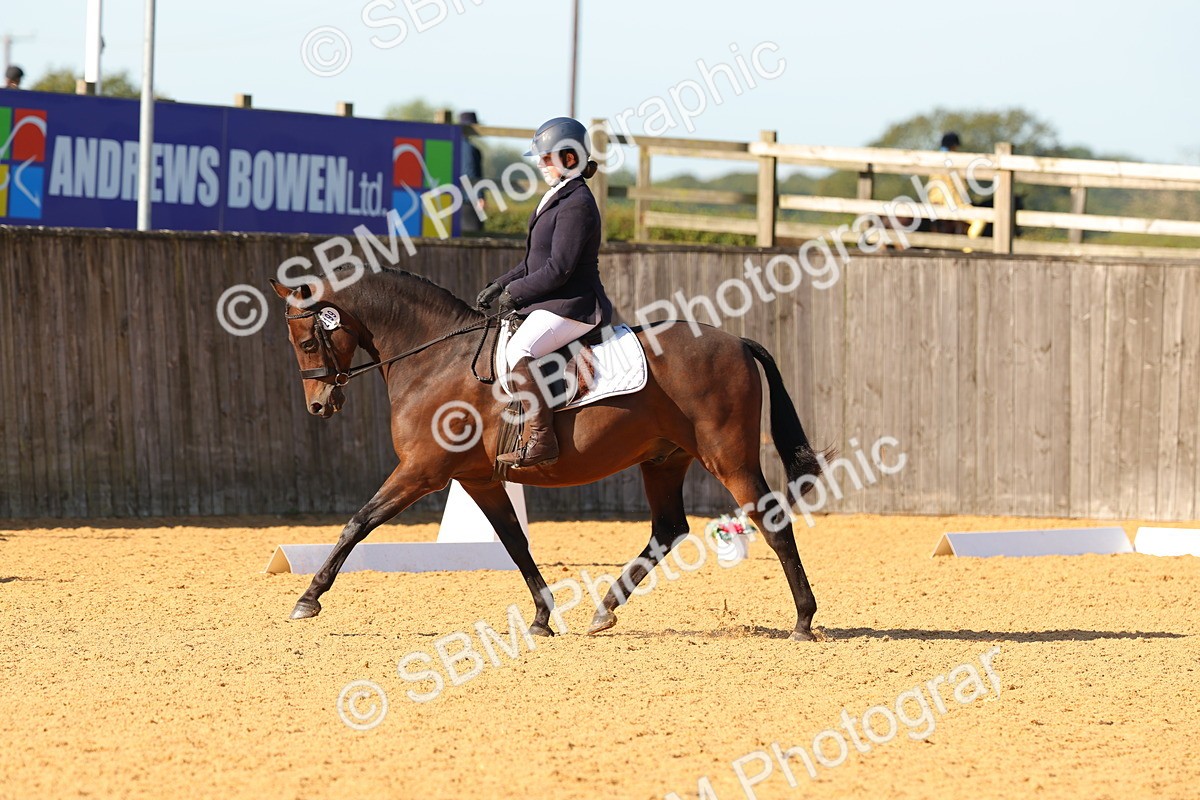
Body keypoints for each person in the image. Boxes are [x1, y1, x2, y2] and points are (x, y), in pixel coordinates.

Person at [476, 116, 613, 468]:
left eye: (546, 157)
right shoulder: (556, 196)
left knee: (520, 349)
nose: (539, 163)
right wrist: (501, 284)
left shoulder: (577, 203)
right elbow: (533, 261)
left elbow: (559, 269)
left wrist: (516, 295)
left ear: (570, 158)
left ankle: (542, 438)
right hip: (554, 300)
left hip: (574, 304)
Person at [458, 111, 486, 233]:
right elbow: (471, 173)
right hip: (468, 200)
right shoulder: (470, 149)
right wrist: (479, 196)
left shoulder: (453, 145)